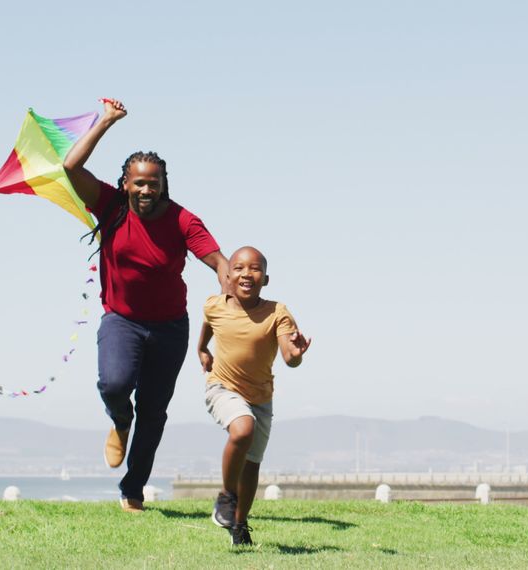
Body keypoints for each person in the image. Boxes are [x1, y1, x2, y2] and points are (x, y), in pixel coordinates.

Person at [64, 99, 229, 513]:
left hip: (170, 328)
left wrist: (233, 294)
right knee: (115, 385)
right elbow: (70, 168)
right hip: (122, 320)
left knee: (154, 411)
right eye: (138, 182)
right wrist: (105, 121)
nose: (145, 190)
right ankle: (120, 419)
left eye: (153, 182)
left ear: (163, 184)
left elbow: (218, 261)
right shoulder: (109, 206)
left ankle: (132, 490)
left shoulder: (181, 220)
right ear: (125, 183)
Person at [198, 246, 312, 546]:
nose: (246, 273)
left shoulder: (277, 312)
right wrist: (201, 348)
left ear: (266, 279)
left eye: (255, 268)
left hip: (261, 397)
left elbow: (289, 356)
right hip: (221, 387)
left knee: (251, 465)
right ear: (228, 275)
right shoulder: (214, 305)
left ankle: (239, 525)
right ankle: (225, 496)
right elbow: (208, 325)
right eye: (238, 268)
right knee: (242, 428)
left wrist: (297, 354)